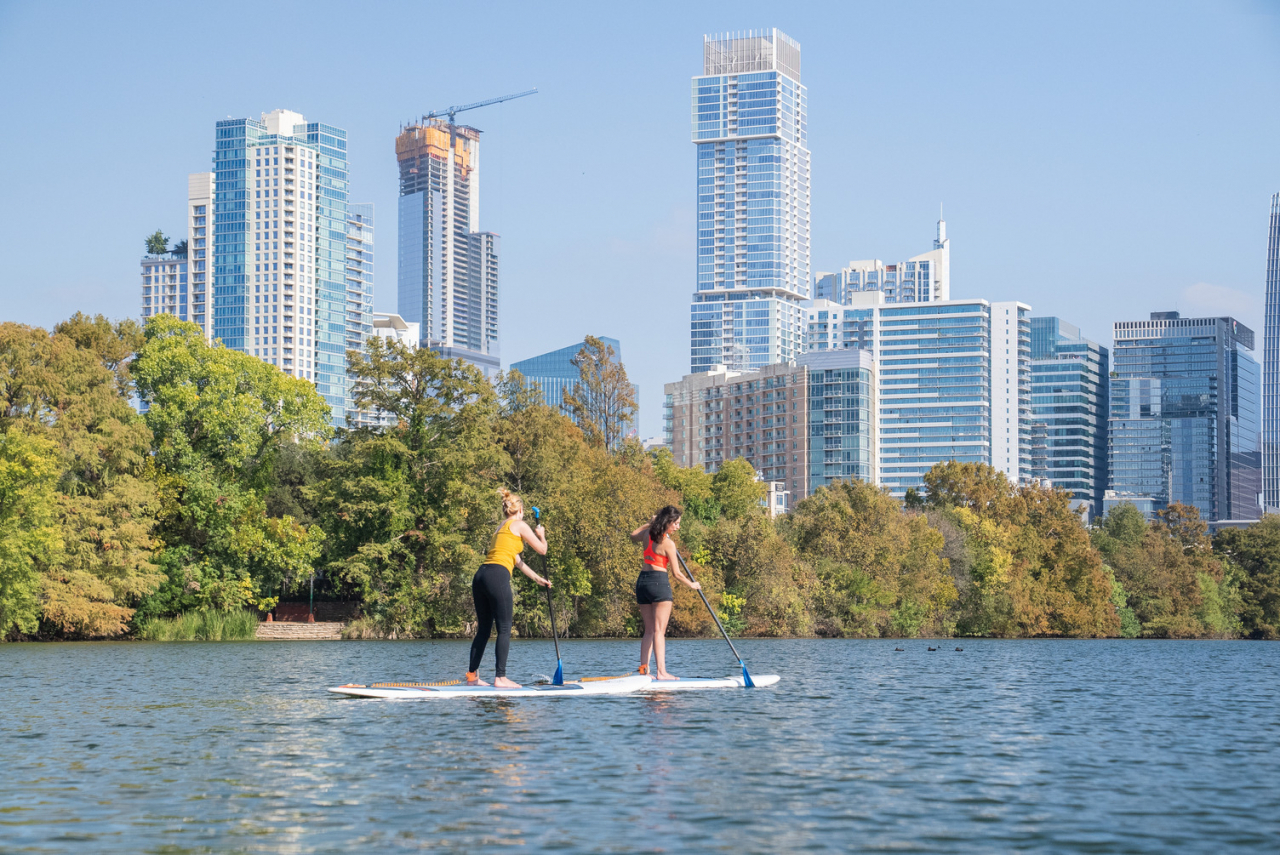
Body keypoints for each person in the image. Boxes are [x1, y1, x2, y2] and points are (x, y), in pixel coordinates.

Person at [467, 489, 550, 688]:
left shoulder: (500, 527)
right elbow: (542, 550)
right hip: (497, 576)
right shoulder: (520, 524)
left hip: (480, 576)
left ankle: (472, 677)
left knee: (484, 630)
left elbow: (517, 561)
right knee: (504, 628)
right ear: (520, 510)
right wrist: (542, 535)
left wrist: (537, 578)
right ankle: (500, 678)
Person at [629, 505, 701, 680]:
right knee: (659, 631)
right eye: (675, 523)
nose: (678, 526)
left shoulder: (647, 535)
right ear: (667, 523)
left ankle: (643, 670)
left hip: (643, 582)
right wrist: (691, 585)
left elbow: (632, 536)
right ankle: (661, 672)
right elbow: (676, 574)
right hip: (659, 583)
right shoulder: (668, 543)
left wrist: (648, 524)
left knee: (648, 631)